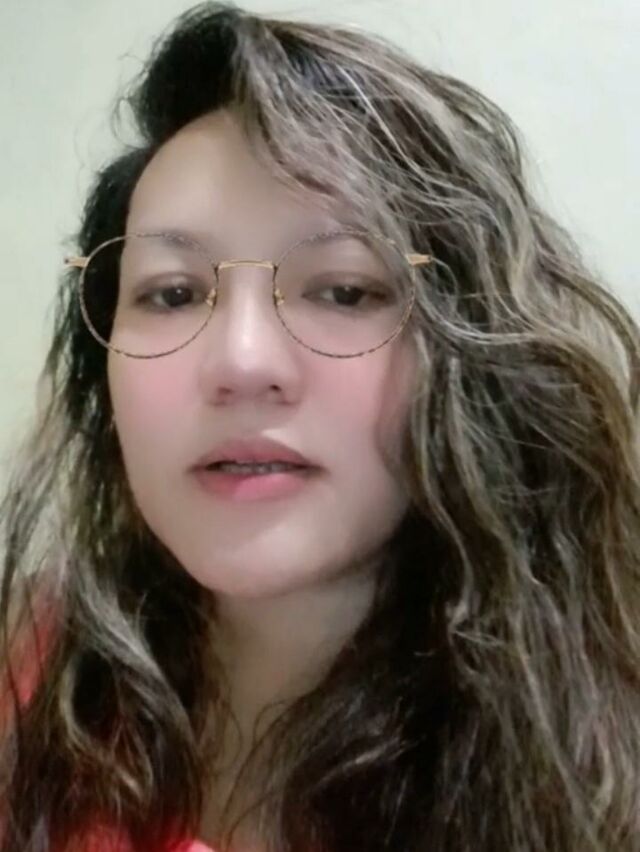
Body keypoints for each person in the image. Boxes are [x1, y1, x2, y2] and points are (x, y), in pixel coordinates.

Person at [2, 2, 640, 850]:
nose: (240, 362)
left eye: (343, 290)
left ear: (470, 353)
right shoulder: (29, 686)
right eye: (174, 293)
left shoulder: (601, 764)